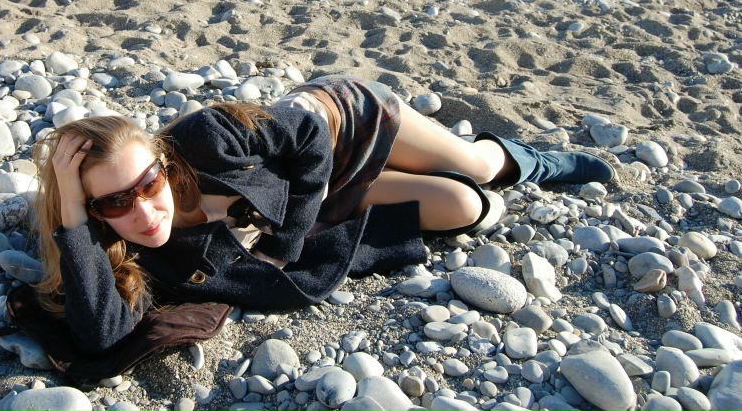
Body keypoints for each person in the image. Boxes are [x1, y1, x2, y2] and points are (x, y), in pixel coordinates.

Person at [33, 74, 614, 354]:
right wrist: (73, 222)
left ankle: (540, 161)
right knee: (473, 208)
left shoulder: (205, 138)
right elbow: (103, 334)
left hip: (337, 128)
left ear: (162, 162)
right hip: (325, 202)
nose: (143, 208)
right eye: (115, 201)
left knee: (479, 168)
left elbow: (309, 137)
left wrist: (283, 246)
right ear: (91, 211)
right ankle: (457, 177)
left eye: (148, 183)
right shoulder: (122, 249)